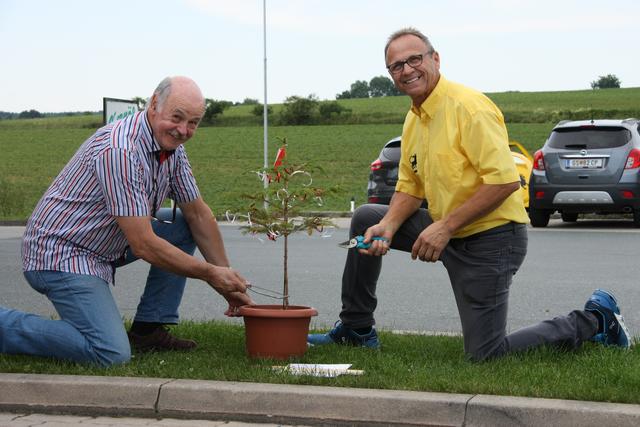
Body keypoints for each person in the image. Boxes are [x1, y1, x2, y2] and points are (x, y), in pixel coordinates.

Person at [308, 28, 632, 361]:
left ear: (435, 59)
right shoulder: (414, 119)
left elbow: (504, 181)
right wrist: (389, 225)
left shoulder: (470, 109)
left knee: (486, 356)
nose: (407, 70)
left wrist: (444, 228)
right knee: (367, 218)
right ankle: (357, 329)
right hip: (446, 228)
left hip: (491, 239)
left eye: (414, 59)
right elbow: (410, 185)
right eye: (396, 66)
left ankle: (595, 320)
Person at [0, 76, 253, 366]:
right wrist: (211, 274)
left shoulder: (171, 149)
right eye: (177, 117)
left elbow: (198, 214)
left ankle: (148, 330)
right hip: (62, 253)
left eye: (193, 122)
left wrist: (227, 281)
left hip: (103, 246)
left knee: (181, 223)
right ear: (154, 104)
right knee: (109, 352)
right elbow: (144, 243)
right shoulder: (120, 150)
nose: (183, 130)